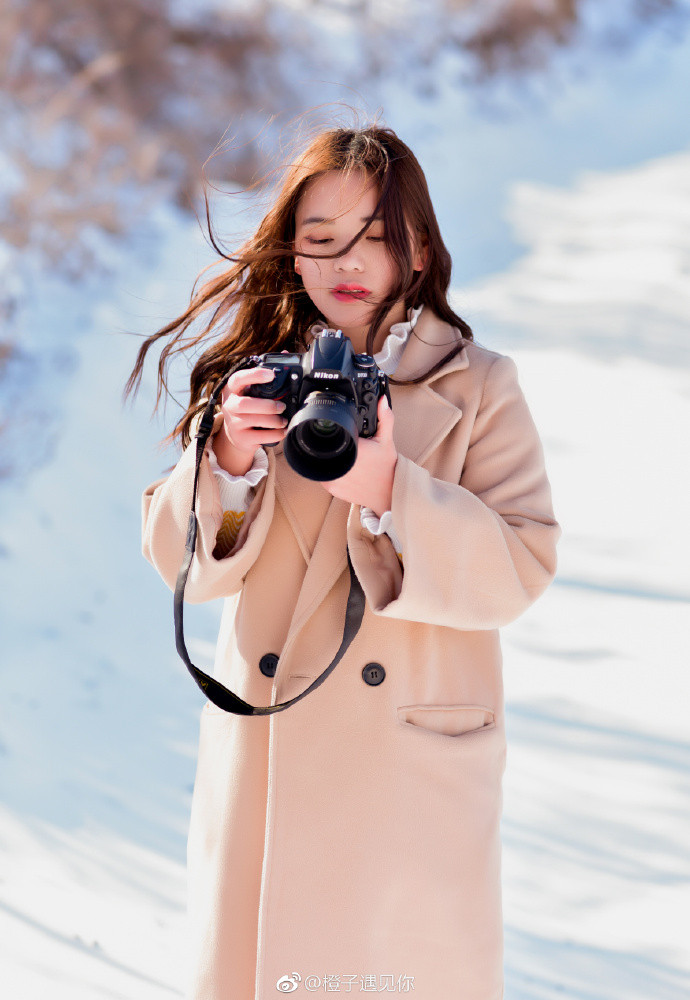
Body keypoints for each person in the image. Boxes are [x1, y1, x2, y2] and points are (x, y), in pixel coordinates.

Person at [125, 124, 561, 1000]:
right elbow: (183, 567)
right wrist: (225, 464)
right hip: (271, 754)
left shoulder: (479, 384)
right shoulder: (258, 378)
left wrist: (392, 487)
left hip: (407, 768)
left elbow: (523, 561)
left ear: (420, 248)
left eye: (374, 237)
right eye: (320, 240)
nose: (345, 262)